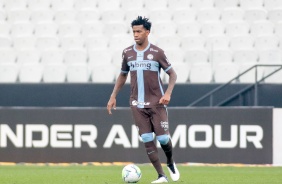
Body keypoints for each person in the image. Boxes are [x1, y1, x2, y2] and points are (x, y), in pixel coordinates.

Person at [107, 16, 180, 183]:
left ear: (147, 32)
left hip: (157, 102)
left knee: (162, 139)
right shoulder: (127, 52)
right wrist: (113, 96)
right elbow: (123, 75)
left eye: (139, 31)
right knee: (147, 139)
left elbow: (173, 74)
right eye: (133, 31)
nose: (135, 34)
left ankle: (170, 162)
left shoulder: (157, 52)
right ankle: (161, 176)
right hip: (137, 103)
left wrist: (167, 93)